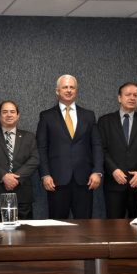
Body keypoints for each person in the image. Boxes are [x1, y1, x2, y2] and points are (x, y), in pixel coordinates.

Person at [36, 75, 103, 219]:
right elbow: (41, 148)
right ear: (57, 91)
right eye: (65, 87)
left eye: (72, 87)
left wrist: (97, 171)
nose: (68, 90)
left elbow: (96, 144)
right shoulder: (46, 116)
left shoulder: (88, 115)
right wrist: (45, 174)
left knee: (85, 226)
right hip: (56, 180)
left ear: (76, 90)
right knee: (57, 225)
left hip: (85, 179)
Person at [97, 83, 137, 219]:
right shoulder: (104, 121)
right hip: (114, 184)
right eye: (128, 95)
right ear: (119, 98)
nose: (132, 98)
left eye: (135, 95)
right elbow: (101, 149)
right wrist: (113, 170)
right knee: (114, 227)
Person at [0, 101, 40, 220]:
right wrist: (4, 176)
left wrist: (15, 179)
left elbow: (34, 159)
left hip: (22, 193)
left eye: (12, 112)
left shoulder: (29, 137)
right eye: (5, 112)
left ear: (18, 115)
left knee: (25, 233)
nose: (9, 115)